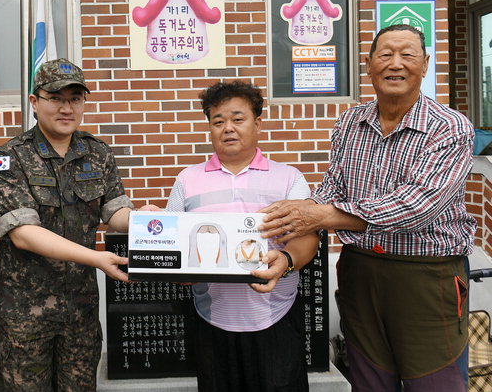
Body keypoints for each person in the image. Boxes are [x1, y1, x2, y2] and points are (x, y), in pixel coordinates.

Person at [260, 24, 476, 392]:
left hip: (426, 278)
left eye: (407, 55)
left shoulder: (451, 128)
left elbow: (418, 206)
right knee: (368, 379)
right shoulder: (350, 122)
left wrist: (323, 215)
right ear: (368, 65)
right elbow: (333, 187)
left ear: (425, 65)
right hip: (360, 271)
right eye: (385, 54)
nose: (396, 63)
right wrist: (297, 213)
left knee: (435, 382)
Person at [160, 81, 319, 392]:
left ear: (257, 124)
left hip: (276, 316)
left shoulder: (289, 178)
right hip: (211, 318)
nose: (227, 128)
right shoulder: (187, 181)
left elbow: (307, 239)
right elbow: (173, 241)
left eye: (237, 119)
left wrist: (285, 260)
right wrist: (178, 270)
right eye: (218, 121)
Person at [0, 58, 135, 391]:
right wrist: (97, 258)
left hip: (80, 311)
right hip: (26, 314)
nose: (66, 107)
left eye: (75, 98)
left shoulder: (97, 153)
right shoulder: (11, 157)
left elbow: (115, 214)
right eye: (55, 98)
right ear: (34, 102)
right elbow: (24, 234)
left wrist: (148, 220)